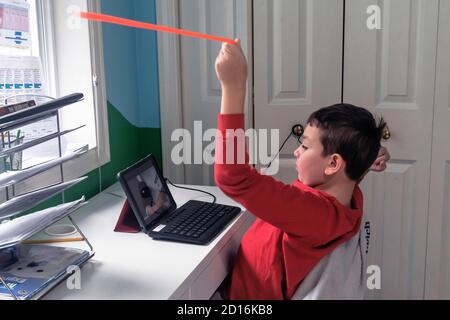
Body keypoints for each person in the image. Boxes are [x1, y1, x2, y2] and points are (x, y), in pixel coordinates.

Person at [213, 39, 390, 299]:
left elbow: (233, 178)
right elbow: (351, 172)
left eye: (305, 146)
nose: (297, 151)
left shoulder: (314, 213)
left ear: (333, 164)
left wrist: (233, 86)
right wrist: (371, 153)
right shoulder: (347, 198)